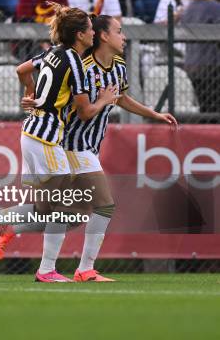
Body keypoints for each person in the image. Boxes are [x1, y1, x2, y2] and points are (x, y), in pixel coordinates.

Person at [0, 3, 119, 282]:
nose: (93, 33)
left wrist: (31, 91)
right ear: (80, 35)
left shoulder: (53, 53)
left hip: (32, 132)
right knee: (62, 207)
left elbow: (22, 69)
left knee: (47, 208)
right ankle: (47, 270)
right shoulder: (75, 62)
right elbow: (85, 112)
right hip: (47, 137)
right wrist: (105, 101)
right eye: (88, 29)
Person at [44, 15, 176, 281]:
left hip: (88, 147)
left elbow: (122, 98)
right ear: (103, 36)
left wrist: (154, 114)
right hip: (71, 144)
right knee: (103, 205)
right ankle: (82, 269)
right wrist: (103, 101)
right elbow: (78, 109)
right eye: (119, 31)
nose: (123, 36)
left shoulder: (118, 65)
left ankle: (42, 259)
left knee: (72, 210)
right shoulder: (83, 67)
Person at [181, 0, 220, 113]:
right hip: (212, 68)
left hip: (192, 66)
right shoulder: (215, 8)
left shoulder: (189, 8)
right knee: (214, 110)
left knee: (206, 107)